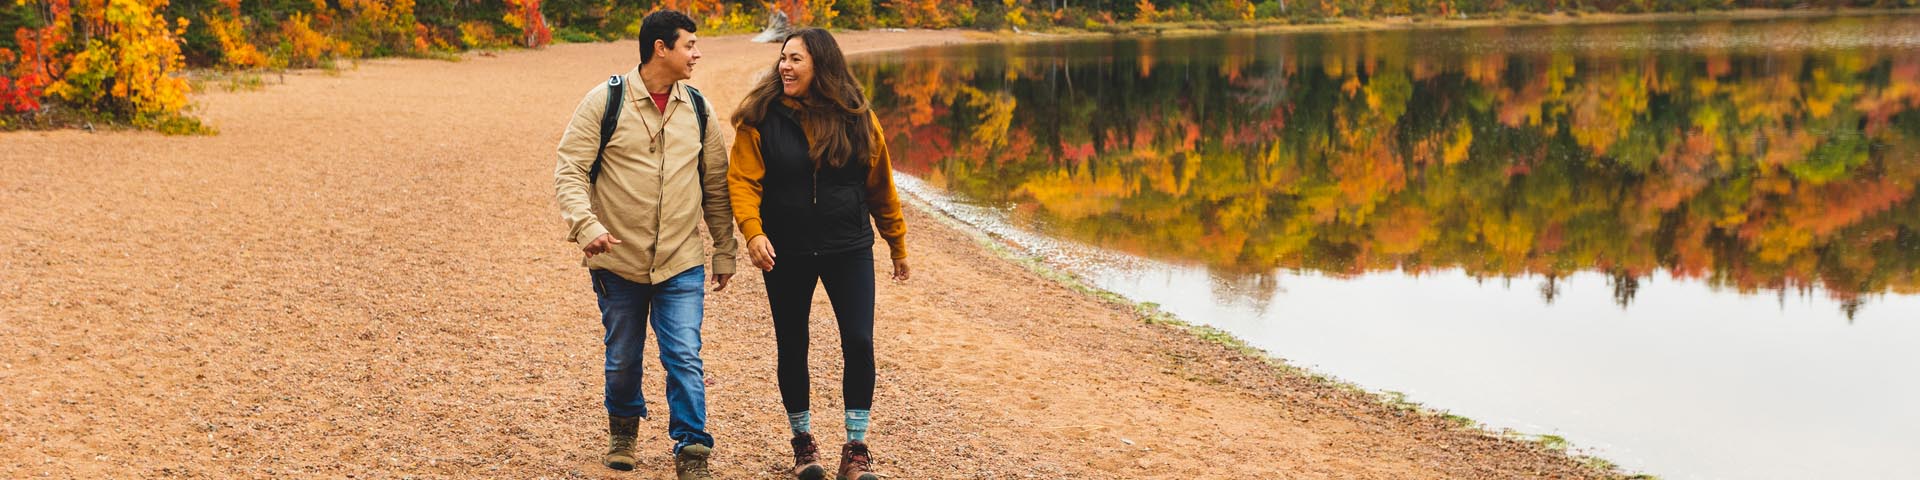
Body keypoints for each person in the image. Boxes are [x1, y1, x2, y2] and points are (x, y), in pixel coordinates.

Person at [550, 9, 734, 480]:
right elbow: (570, 169)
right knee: (623, 358)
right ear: (661, 48)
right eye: (689, 45)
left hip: (681, 261)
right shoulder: (604, 101)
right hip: (618, 261)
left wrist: (724, 249)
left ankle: (692, 449)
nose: (697, 53)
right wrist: (585, 226)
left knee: (684, 357)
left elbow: (715, 183)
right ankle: (623, 430)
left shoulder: (698, 107)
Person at [726, 28, 908, 480]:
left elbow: (880, 183)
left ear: (821, 66)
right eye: (782, 58)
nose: (785, 66)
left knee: (860, 342)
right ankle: (803, 444)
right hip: (784, 249)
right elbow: (743, 182)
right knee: (793, 343)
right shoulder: (760, 116)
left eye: (796, 59)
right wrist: (752, 233)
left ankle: (857, 447)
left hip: (848, 245)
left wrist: (896, 243)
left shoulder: (857, 116)